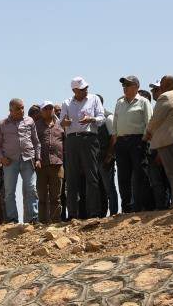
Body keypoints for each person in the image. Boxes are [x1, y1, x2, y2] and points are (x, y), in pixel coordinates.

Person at [61, 77, 106, 219]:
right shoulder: (66, 103)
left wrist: (91, 119)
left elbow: (102, 118)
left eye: (86, 87)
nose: (85, 90)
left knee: (91, 176)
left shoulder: (94, 99)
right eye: (82, 89)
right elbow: (62, 121)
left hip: (89, 139)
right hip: (72, 140)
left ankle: (94, 212)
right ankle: (72, 214)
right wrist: (65, 122)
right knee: (71, 178)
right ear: (74, 90)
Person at [0, 98, 41, 223]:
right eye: (18, 108)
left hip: (28, 159)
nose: (22, 110)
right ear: (10, 110)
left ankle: (33, 218)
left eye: (22, 107)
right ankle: (12, 219)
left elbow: (36, 142)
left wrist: (38, 158)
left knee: (31, 189)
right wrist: (1, 158)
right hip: (10, 162)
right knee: (9, 191)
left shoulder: (29, 121)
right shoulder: (2, 124)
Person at [110, 75, 153, 212]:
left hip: (138, 141)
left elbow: (149, 122)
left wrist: (144, 140)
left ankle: (142, 206)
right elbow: (115, 123)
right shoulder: (119, 103)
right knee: (123, 176)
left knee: (140, 174)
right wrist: (115, 138)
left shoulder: (143, 102)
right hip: (121, 142)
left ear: (136, 87)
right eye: (124, 85)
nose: (125, 87)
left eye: (128, 85)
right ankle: (126, 207)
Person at [146, 76, 173, 208]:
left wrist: (147, 133)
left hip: (169, 140)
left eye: (162, 83)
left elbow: (155, 119)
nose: (160, 86)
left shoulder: (166, 96)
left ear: (167, 84)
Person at [36, 101, 64, 223]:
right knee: (42, 196)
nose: (48, 110)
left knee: (56, 196)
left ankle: (56, 220)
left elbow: (65, 142)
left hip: (57, 164)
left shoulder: (61, 124)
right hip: (41, 165)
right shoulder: (36, 126)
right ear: (41, 111)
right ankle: (42, 221)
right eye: (45, 109)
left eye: (50, 108)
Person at [97, 96, 119, 216]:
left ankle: (114, 212)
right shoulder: (93, 119)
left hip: (105, 159)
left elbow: (114, 138)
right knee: (99, 189)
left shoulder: (108, 117)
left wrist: (109, 156)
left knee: (109, 187)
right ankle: (102, 213)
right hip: (96, 159)